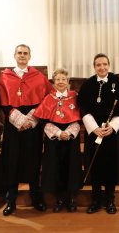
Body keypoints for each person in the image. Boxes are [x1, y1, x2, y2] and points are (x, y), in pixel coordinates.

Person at [0, 44, 53, 216]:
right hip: (13, 125)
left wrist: (32, 117)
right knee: (12, 161)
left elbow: (46, 99)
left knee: (34, 161)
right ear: (14, 55)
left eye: (25, 53)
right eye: (19, 53)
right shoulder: (5, 77)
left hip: (33, 124)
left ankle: (36, 198)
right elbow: (2, 101)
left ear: (30, 56)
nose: (22, 56)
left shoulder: (38, 76)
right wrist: (16, 118)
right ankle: (11, 200)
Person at [77, 53, 119, 214]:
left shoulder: (117, 82)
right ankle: (95, 200)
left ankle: (110, 200)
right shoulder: (88, 84)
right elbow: (83, 108)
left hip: (111, 133)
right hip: (94, 132)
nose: (102, 67)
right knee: (95, 165)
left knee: (110, 166)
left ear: (109, 65)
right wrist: (94, 128)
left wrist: (112, 127)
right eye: (98, 65)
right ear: (94, 67)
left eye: (105, 64)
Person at [34, 68, 82, 213]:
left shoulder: (75, 97)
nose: (61, 82)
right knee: (55, 167)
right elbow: (42, 120)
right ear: (53, 82)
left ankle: (70, 198)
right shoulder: (48, 98)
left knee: (71, 166)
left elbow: (80, 116)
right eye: (58, 79)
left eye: (64, 79)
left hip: (71, 138)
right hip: (54, 139)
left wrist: (68, 132)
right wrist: (59, 133)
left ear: (68, 82)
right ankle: (59, 199)